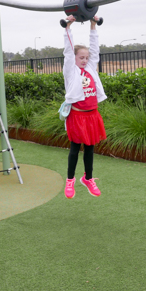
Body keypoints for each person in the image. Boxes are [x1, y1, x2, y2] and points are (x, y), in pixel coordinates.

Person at [62, 14, 106, 198]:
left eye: (86, 57)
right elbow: (68, 50)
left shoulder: (89, 68)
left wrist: (93, 25)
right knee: (75, 148)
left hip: (92, 115)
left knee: (90, 148)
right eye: (81, 57)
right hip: (78, 115)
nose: (85, 59)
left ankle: (88, 178)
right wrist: (67, 28)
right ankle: (70, 180)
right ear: (75, 58)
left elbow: (94, 49)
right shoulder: (71, 70)